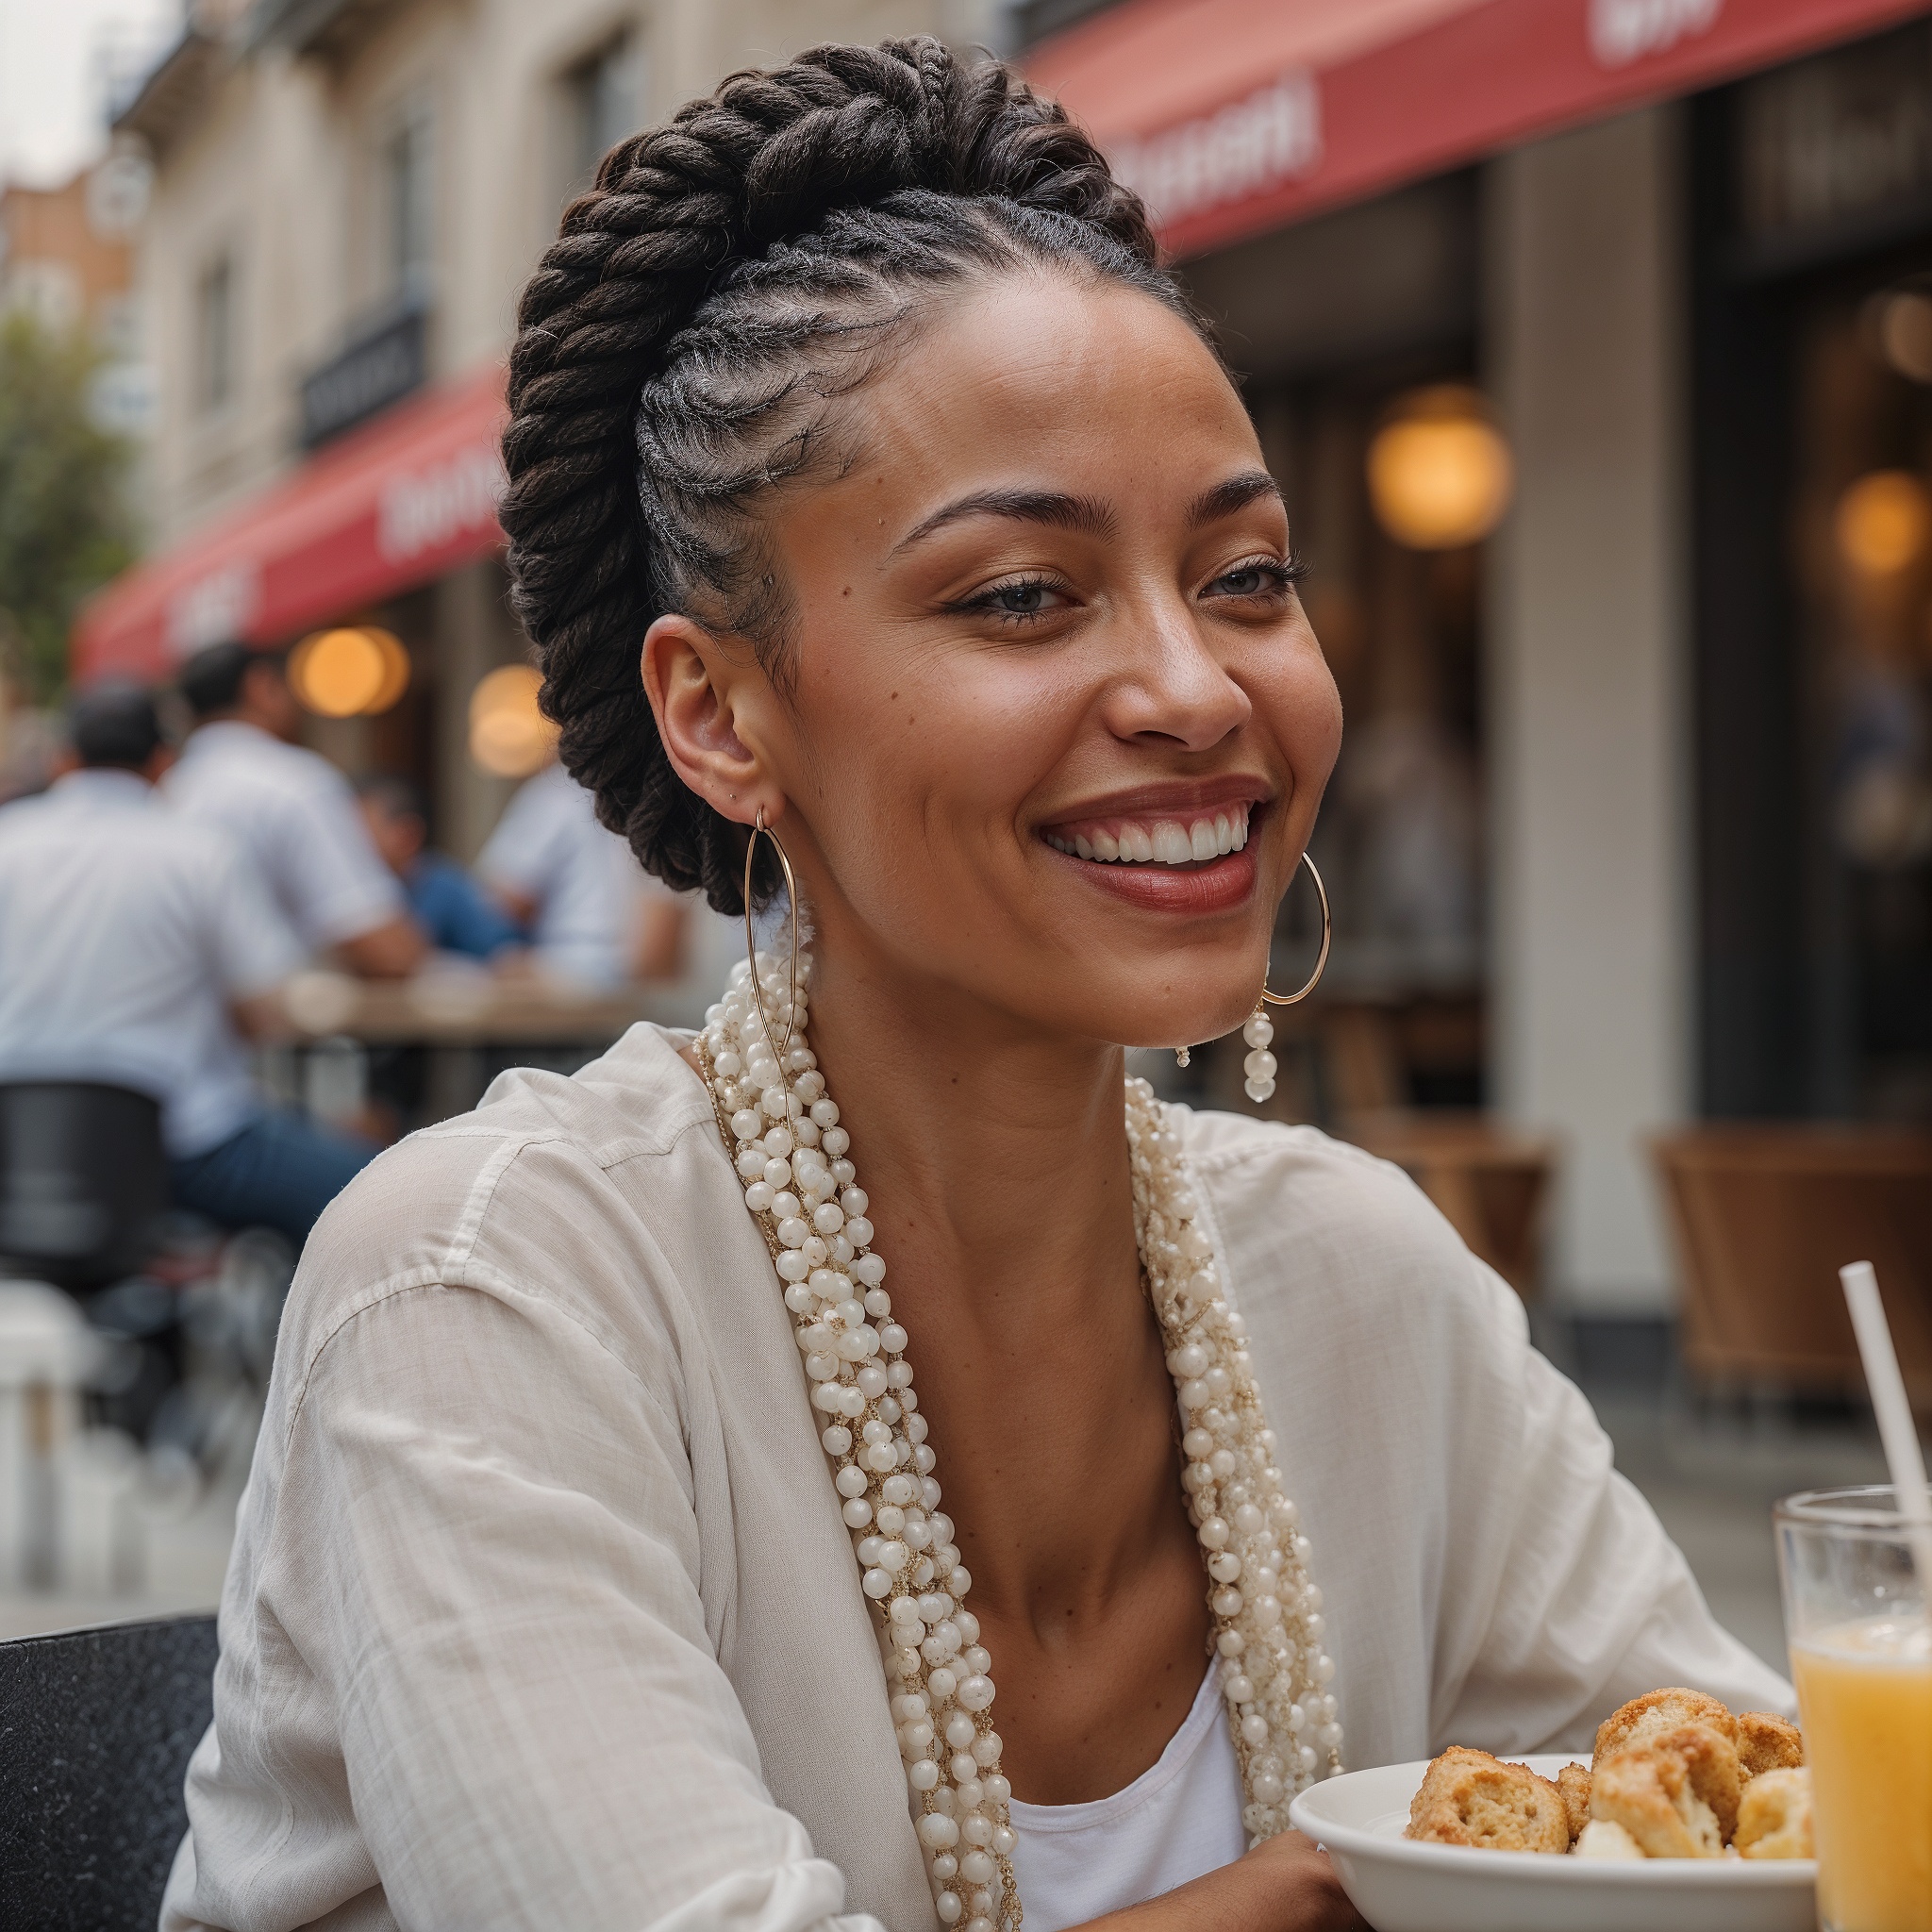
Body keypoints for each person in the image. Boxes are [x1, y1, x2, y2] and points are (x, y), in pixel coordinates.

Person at [163, 43, 1790, 1932]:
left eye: (1248, 572)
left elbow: (1754, 1827)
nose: (1197, 688)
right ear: (720, 711)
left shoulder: (1362, 1278)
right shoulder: (488, 1289)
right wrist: (1363, 1885)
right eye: (1023, 594)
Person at [0, 684, 375, 1247]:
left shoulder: (8, 841)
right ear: (162, 762)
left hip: (19, 1147)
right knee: (373, 1194)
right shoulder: (201, 853)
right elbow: (264, 1009)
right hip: (185, 1150)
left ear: (63, 760)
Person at [165, 641, 427, 976]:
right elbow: (380, 945)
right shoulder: (290, 784)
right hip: (277, 1021)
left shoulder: (166, 792)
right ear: (260, 686)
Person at [476, 752, 688, 987]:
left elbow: (506, 900)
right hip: (635, 976)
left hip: (571, 966)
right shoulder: (657, 793)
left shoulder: (557, 791)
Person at [355, 774, 525, 962]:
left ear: (407, 835)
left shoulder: (443, 887)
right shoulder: (355, 892)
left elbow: (505, 955)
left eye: (358, 831)